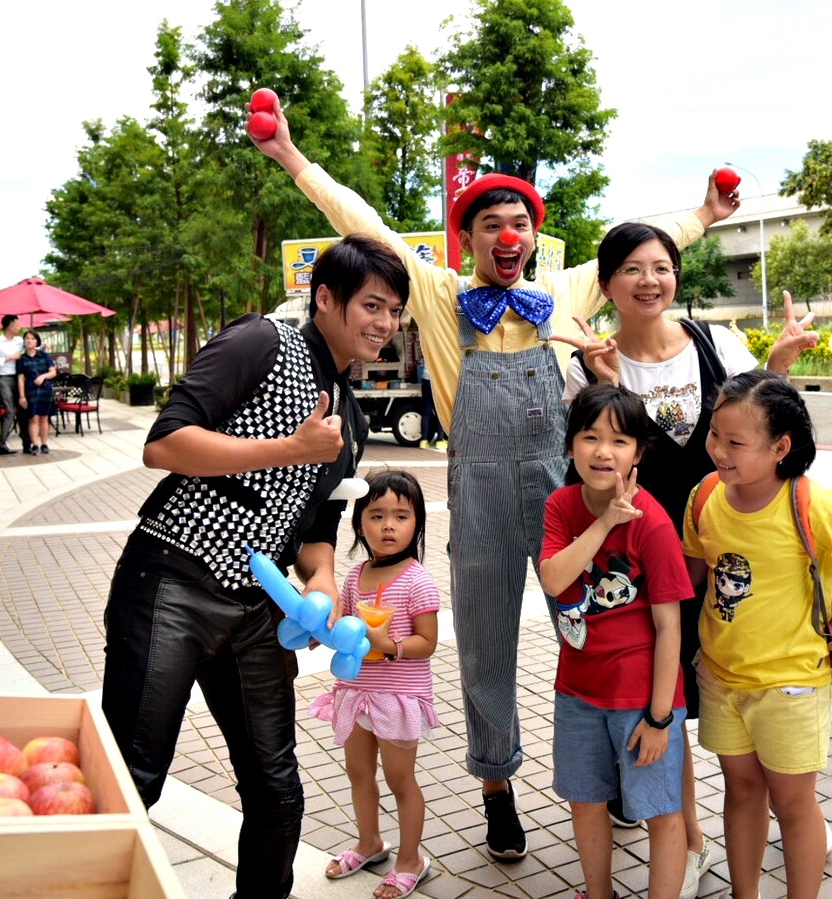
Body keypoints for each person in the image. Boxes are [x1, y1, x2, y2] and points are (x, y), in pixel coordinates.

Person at [253, 98, 738, 860]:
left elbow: (637, 248)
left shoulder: (567, 292)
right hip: (475, 494)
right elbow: (365, 222)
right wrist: (290, 157)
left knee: (601, 626)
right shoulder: (439, 294)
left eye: (518, 225)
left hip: (562, 495)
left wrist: (705, 214)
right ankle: (495, 786)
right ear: (468, 238)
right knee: (483, 649)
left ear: (532, 236)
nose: (507, 237)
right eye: (491, 226)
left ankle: (615, 771)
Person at [101, 235, 410, 899]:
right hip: (171, 580)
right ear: (326, 298)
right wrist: (289, 446)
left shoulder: (350, 416)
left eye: (395, 312)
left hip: (252, 611)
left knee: (277, 790)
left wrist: (323, 583)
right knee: (132, 776)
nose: (386, 323)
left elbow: (317, 524)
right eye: (374, 305)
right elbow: (164, 444)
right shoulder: (262, 341)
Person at [555, 222, 818, 898]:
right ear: (606, 283)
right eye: (632, 269)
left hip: (717, 548)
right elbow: (590, 459)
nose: (649, 281)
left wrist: (780, 361)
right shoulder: (589, 362)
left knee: (718, 692)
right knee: (660, 691)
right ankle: (693, 838)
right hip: (631, 551)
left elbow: (756, 421)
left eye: (661, 267)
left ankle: (780, 817)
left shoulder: (713, 343)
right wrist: (605, 379)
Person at [682, 371, 832, 899]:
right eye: (714, 436)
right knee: (741, 792)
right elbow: (693, 576)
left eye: (735, 442)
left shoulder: (812, 503)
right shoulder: (705, 496)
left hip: (792, 683)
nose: (719, 451)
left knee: (793, 805)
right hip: (722, 678)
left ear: (780, 447)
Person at [539, 384, 692, 899]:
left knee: (660, 810)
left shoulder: (654, 522)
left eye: (620, 440)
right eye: (590, 437)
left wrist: (659, 717)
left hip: (640, 698)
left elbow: (671, 626)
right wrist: (606, 520)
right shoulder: (561, 505)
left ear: (639, 453)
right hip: (577, 691)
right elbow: (555, 580)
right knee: (584, 801)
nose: (603, 451)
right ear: (570, 447)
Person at [309, 468, 439, 899]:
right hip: (355, 691)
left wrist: (391, 646)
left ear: (417, 522)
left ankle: (411, 860)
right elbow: (342, 621)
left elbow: (428, 643)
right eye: (377, 514)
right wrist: (321, 628)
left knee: (401, 780)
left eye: (401, 516)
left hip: (397, 696)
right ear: (359, 522)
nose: (388, 525)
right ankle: (369, 843)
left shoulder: (417, 580)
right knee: (358, 773)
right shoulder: (354, 575)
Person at [16, 330, 57, 455]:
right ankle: (35, 445)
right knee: (33, 418)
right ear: (24, 341)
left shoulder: (44, 356)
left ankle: (44, 444)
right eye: (27, 338)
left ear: (37, 341)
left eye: (32, 338)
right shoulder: (21, 359)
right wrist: (22, 396)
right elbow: (20, 378)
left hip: (45, 390)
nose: (29, 340)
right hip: (31, 390)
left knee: (44, 417)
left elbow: (53, 372)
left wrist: (43, 376)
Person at [0, 314, 23, 455]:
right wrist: (9, 358)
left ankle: (27, 443)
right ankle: (2, 444)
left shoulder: (20, 340)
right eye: (17, 324)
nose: (19, 327)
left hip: (20, 377)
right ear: (10, 326)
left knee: (24, 410)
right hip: (4, 378)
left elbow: (31, 348)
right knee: (10, 411)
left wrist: (43, 348)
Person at [418, 357, 446, 447]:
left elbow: (421, 364)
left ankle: (424, 441)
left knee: (426, 412)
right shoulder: (438, 351)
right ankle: (440, 440)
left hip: (426, 379)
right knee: (440, 411)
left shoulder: (426, 350)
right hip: (437, 381)